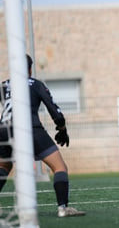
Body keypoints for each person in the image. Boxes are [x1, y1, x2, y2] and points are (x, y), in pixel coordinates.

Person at [0, 54, 85, 217]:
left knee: (3, 167)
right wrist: (62, 128)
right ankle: (63, 208)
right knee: (60, 167)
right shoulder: (35, 84)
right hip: (30, 129)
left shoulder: (4, 85)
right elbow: (54, 110)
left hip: (4, 130)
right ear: (30, 70)